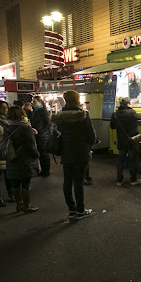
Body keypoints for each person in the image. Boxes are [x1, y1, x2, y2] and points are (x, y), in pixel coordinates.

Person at [51, 90, 95, 220]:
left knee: (67, 181)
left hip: (66, 152)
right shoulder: (82, 115)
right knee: (79, 182)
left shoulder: (59, 116)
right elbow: (91, 136)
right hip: (81, 152)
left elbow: (56, 133)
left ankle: (72, 209)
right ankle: (81, 209)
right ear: (77, 100)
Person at [4, 106, 40, 213]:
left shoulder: (7, 128)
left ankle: (18, 205)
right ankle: (26, 205)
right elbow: (31, 146)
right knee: (25, 183)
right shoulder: (26, 128)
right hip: (25, 160)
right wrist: (37, 155)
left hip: (12, 158)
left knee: (15, 183)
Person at [110, 97, 141, 186]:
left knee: (120, 160)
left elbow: (112, 126)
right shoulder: (131, 113)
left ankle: (119, 180)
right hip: (132, 141)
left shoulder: (115, 114)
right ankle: (133, 180)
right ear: (128, 104)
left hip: (121, 141)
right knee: (132, 160)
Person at [30, 96, 51, 177]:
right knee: (41, 153)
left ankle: (46, 171)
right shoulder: (36, 111)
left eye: (34, 101)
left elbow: (48, 123)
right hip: (39, 135)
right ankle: (43, 170)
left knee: (43, 153)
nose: (33, 103)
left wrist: (40, 131)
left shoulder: (42, 111)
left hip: (43, 136)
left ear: (40, 102)